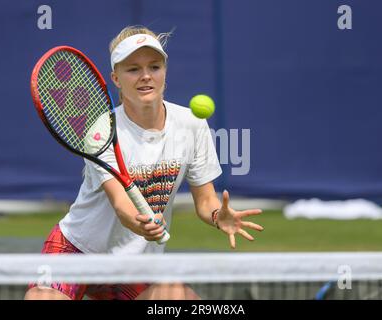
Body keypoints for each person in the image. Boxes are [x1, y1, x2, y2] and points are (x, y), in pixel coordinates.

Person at [25, 26, 264, 300]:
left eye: (154, 66)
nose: (146, 76)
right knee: (42, 298)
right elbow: (122, 206)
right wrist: (142, 225)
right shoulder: (102, 131)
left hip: (134, 261)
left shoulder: (192, 125)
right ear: (116, 78)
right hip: (77, 248)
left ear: (165, 71)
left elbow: (206, 200)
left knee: (175, 295)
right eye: (133, 69)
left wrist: (216, 216)